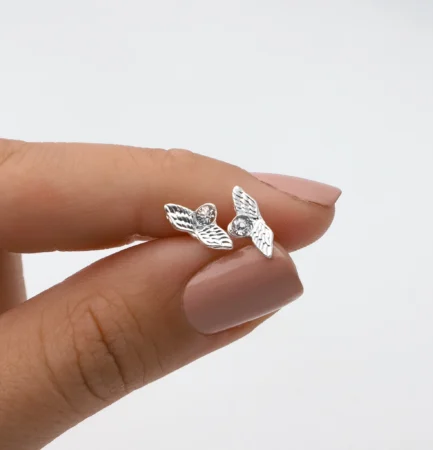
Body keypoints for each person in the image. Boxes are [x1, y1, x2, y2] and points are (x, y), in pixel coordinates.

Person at [0, 139, 341, 448]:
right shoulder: (210, 226)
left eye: (237, 224)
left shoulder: (241, 225)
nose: (232, 224)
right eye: (229, 222)